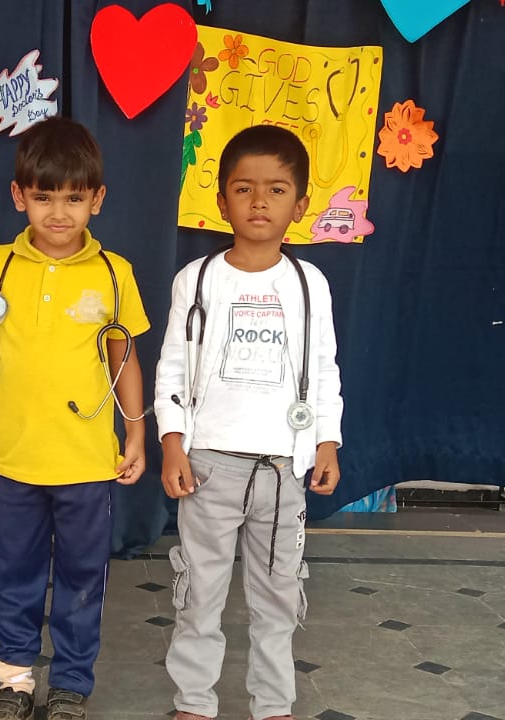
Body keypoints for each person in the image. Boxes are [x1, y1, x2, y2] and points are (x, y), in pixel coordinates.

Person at [0, 117, 150, 720]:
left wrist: (136, 431)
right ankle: (15, 680)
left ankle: (70, 683)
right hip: (13, 457)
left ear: (97, 199)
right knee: (13, 571)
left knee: (83, 576)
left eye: (73, 198)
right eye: (43, 197)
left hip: (87, 460)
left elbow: (123, 356)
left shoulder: (114, 272)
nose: (58, 213)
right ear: (19, 196)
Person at [154, 125, 344, 720]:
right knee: (199, 592)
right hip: (209, 465)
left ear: (300, 205)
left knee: (279, 596)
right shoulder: (197, 279)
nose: (259, 201)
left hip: (284, 469)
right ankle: (193, 701)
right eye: (244, 188)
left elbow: (325, 368)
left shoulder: (309, 285)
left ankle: (274, 703)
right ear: (221, 201)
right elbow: (172, 368)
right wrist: (172, 443)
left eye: (276, 189)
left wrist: (327, 442)